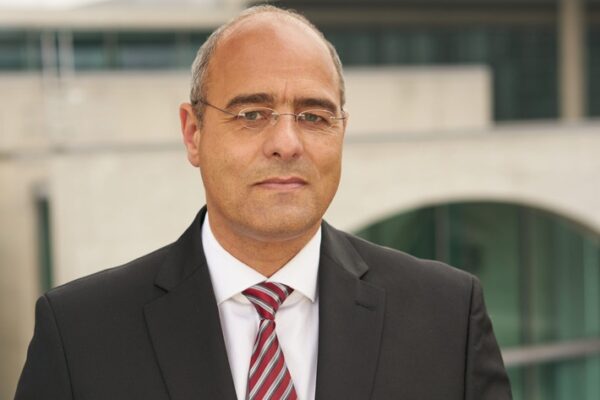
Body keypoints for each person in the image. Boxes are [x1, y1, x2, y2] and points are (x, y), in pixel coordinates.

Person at [15, 5, 512, 400]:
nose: (286, 144)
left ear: (342, 132)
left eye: (314, 117)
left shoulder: (447, 317)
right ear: (193, 133)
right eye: (252, 114)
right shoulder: (80, 335)